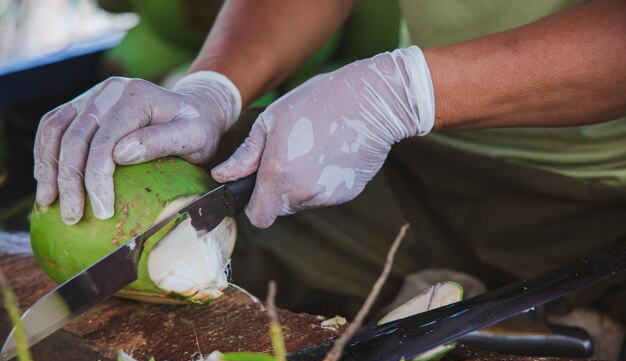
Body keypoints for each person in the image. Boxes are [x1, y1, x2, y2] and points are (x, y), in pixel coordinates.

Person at [33, 0, 626, 336]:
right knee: (171, 287)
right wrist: (213, 89)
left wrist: (406, 91)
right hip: (415, 154)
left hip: (594, 190)